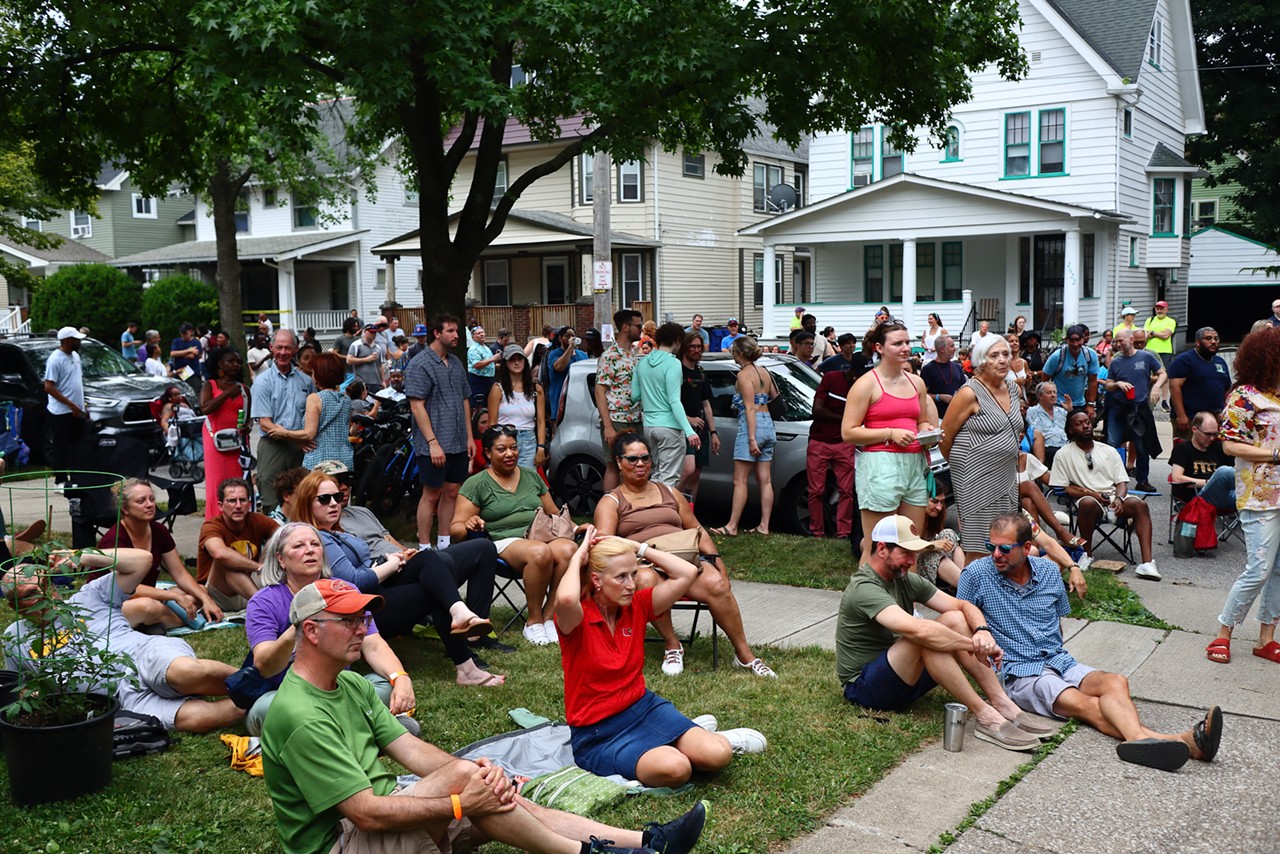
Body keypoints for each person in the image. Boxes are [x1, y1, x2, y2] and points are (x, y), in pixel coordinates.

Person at [260, 576, 701, 854]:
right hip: (343, 841)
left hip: (378, 818)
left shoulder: (351, 683)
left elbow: (409, 748)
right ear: (312, 632)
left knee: (488, 787)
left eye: (363, 619)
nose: (364, 629)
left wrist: (478, 771)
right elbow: (365, 814)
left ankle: (645, 843)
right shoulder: (299, 714)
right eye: (350, 620)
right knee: (470, 789)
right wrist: (458, 799)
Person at [959, 513, 1222, 771]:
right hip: (1020, 672)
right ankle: (1177, 742)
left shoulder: (1049, 571)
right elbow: (960, 608)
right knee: (1086, 704)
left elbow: (1057, 621)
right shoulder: (977, 574)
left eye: (1004, 548)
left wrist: (1072, 569)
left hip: (1057, 659)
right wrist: (982, 631)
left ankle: (1145, 742)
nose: (995, 554)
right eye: (990, 546)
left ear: (1027, 548)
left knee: (1116, 682)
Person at [554, 530, 765, 785]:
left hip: (643, 708)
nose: (632, 584)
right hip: (598, 733)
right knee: (677, 769)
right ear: (597, 580)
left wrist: (636, 547)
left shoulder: (637, 605)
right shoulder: (576, 617)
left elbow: (687, 573)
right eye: (621, 577)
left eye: (633, 574)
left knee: (718, 755)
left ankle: (699, 739)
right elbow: (565, 597)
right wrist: (580, 555)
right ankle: (685, 739)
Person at [834, 515, 1045, 750]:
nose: (912, 560)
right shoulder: (864, 587)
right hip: (865, 689)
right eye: (906, 553)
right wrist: (971, 645)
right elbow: (918, 630)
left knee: (953, 619)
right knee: (926, 638)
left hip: (902, 677)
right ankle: (986, 716)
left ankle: (1001, 702)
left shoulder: (906, 580)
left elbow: (962, 605)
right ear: (882, 549)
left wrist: (983, 632)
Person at [292, 471, 503, 686]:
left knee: (428, 558)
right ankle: (466, 661)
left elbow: (367, 564)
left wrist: (391, 558)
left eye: (337, 497)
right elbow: (353, 582)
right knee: (435, 587)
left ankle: (460, 616)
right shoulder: (317, 538)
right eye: (324, 499)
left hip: (377, 589)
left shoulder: (339, 532)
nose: (334, 504)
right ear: (307, 503)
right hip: (360, 608)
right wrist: (391, 565)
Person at [3, 547, 242, 733]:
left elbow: (142, 561)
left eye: (44, 583)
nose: (44, 593)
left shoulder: (88, 597)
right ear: (14, 606)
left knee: (184, 673)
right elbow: (20, 689)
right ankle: (261, 700)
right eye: (30, 594)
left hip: (143, 654)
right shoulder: (16, 637)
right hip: (122, 696)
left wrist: (82, 556)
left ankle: (257, 678)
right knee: (194, 718)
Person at [596, 433, 775, 678]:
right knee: (645, 582)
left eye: (645, 458)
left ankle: (744, 655)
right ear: (619, 462)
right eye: (632, 459)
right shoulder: (611, 501)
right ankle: (672, 645)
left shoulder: (669, 492)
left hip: (684, 560)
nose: (640, 464)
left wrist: (717, 561)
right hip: (645, 563)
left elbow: (697, 529)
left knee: (717, 583)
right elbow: (606, 544)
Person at [244, 529, 418, 737]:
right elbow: (264, 665)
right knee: (266, 710)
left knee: (381, 686)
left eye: (315, 544)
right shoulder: (263, 601)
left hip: (338, 689)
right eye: (299, 546)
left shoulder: (344, 590)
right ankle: (371, 727)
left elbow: (373, 645)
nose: (310, 551)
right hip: (286, 695)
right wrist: (301, 621)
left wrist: (400, 678)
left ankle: (334, 731)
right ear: (281, 559)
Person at [454, 425, 581, 646]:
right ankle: (533, 622)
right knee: (539, 552)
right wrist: (468, 523)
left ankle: (549, 616)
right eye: (501, 449)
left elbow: (554, 514)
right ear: (488, 453)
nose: (510, 453)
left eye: (513, 448)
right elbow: (455, 530)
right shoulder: (477, 484)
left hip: (538, 535)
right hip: (503, 541)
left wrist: (578, 528)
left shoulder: (532, 477)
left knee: (569, 550)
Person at [1207, 325, 1280, 665]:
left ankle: (1267, 638)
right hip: (1260, 494)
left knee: (1279, 571)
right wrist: (1275, 454)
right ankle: (1224, 631)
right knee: (1259, 568)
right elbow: (1229, 444)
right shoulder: (1244, 396)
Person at [842, 319, 935, 563]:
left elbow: (922, 421)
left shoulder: (917, 382)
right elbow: (848, 432)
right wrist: (889, 433)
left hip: (915, 464)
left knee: (910, 545)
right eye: (897, 343)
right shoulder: (866, 384)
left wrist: (929, 435)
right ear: (879, 348)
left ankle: (906, 602)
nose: (905, 348)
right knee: (876, 547)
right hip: (880, 465)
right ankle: (864, 601)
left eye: (907, 342)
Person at [98, 478, 224, 630]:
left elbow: (180, 574)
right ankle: (182, 619)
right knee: (148, 606)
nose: (150, 504)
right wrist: (173, 596)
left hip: (148, 596)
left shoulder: (158, 530)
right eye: (141, 501)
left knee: (199, 591)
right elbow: (127, 590)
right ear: (125, 509)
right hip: (109, 605)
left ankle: (152, 622)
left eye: (151, 499)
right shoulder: (114, 540)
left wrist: (205, 599)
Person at [1049, 411, 1161, 580]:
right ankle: (1086, 554)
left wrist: (1119, 499)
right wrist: (1093, 494)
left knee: (1141, 505)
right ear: (1071, 430)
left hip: (1114, 498)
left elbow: (1121, 482)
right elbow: (1065, 488)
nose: (1086, 425)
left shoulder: (1108, 450)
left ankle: (1147, 563)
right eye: (1079, 423)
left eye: (1087, 422)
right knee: (1087, 503)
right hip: (1088, 501)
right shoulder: (1063, 454)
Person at [941, 334, 1023, 564]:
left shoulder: (1013, 390)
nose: (1002, 360)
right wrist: (968, 467)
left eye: (1005, 354)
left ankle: (996, 594)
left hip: (1005, 476)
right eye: (994, 355)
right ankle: (969, 597)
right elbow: (945, 437)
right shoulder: (969, 393)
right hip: (974, 478)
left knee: (1003, 540)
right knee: (978, 545)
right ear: (980, 360)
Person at [407, 314, 474, 550]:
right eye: (451, 331)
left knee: (452, 491)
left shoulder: (456, 363)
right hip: (432, 443)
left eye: (457, 331)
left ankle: (444, 543)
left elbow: (465, 399)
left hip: (457, 440)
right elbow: (417, 406)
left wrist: (469, 436)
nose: (457, 335)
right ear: (437, 333)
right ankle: (424, 546)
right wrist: (433, 442)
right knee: (431, 493)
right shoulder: (420, 364)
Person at [716, 336, 778, 536]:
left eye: (734, 351)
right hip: (768, 423)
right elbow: (775, 396)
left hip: (752, 426)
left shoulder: (744, 375)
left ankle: (732, 526)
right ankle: (764, 526)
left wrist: (751, 439)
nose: (733, 354)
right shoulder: (764, 371)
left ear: (740, 354)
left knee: (740, 480)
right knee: (765, 480)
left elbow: (749, 408)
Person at [251, 329, 316, 512]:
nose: (283, 353)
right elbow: (265, 423)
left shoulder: (306, 381)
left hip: (301, 449)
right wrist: (296, 438)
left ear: (295, 350)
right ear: (271, 348)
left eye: (288, 348)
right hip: (273, 446)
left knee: (303, 497)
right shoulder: (262, 382)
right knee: (271, 497)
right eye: (279, 347)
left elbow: (313, 415)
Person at [632, 322, 699, 487]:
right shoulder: (673, 364)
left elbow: (634, 396)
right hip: (669, 427)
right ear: (677, 340)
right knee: (669, 480)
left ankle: (651, 509)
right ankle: (662, 512)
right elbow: (674, 400)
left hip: (648, 427)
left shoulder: (642, 363)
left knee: (655, 476)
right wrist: (689, 431)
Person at [198, 477, 278, 611]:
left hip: (250, 584)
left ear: (249, 503)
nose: (238, 506)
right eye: (231, 501)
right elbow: (219, 553)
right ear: (220, 505)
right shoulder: (211, 526)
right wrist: (258, 567)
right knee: (227, 562)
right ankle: (265, 607)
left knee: (277, 539)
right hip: (221, 595)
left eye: (242, 500)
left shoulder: (257, 520)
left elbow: (287, 535)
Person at [1104, 328, 1165, 493]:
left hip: (1139, 408)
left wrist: (1157, 387)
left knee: (1142, 446)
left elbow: (1162, 373)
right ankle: (1111, 480)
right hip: (1118, 407)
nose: (1117, 344)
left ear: (1131, 339)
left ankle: (1142, 480)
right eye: (1115, 341)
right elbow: (1108, 384)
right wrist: (1117, 384)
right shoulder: (1116, 361)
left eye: (1120, 341)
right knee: (1112, 444)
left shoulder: (1146, 357)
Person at [806, 356, 857, 541]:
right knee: (816, 490)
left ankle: (843, 532)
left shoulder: (862, 386)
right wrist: (845, 419)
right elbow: (817, 410)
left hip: (844, 442)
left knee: (846, 490)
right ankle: (816, 531)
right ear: (852, 372)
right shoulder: (831, 378)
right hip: (820, 440)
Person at [594, 309, 644, 491]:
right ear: (625, 327)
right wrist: (608, 426)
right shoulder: (610, 356)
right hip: (617, 421)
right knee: (614, 465)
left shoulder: (633, 354)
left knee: (633, 466)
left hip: (635, 419)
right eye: (638, 326)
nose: (641, 329)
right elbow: (600, 392)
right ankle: (609, 507)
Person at [199, 346, 249, 520]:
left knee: (238, 482)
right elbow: (205, 408)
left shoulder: (244, 388)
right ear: (220, 364)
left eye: (239, 362)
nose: (236, 365)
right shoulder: (210, 385)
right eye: (231, 361)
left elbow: (249, 416)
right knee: (217, 483)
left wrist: (247, 426)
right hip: (215, 442)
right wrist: (227, 393)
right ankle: (215, 522)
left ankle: (237, 518)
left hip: (237, 442)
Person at [487, 344, 546, 469]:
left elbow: (541, 421)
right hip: (504, 438)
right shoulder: (498, 389)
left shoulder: (536, 388)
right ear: (505, 363)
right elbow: (492, 422)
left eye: (520, 359)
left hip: (529, 439)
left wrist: (541, 447)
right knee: (505, 481)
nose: (516, 363)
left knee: (527, 482)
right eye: (512, 360)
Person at [1168, 326, 1232, 440]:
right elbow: (1174, 388)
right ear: (1198, 342)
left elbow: (1227, 389)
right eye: (1208, 338)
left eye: (1216, 339)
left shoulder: (1220, 361)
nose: (1213, 342)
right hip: (1190, 418)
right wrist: (1181, 415)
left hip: (1215, 418)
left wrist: (1225, 412)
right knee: (1186, 453)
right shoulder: (1184, 360)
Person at [677, 332, 719, 502]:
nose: (696, 350)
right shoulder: (677, 370)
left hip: (701, 430)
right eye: (692, 346)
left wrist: (713, 432)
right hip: (681, 428)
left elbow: (706, 403)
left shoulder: (701, 373)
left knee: (696, 474)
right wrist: (688, 419)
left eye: (699, 347)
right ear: (685, 348)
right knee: (685, 471)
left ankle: (690, 513)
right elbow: (670, 402)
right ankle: (668, 505)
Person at [43, 326, 87, 484]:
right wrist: (71, 405)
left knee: (78, 445)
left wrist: (81, 405)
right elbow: (48, 387)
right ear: (68, 341)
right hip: (60, 412)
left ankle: (77, 477)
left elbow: (75, 382)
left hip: (77, 410)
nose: (79, 342)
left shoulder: (75, 355)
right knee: (61, 446)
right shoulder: (55, 359)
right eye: (76, 339)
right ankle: (60, 480)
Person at [1170, 412, 1236, 513]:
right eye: (1208, 434)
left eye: (1215, 434)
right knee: (1223, 472)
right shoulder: (1182, 449)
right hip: (1196, 498)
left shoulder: (1220, 448)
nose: (1212, 438)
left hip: (1223, 496)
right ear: (1194, 430)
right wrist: (1211, 482)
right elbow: (1177, 478)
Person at [300, 352, 353, 471]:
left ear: (320, 374)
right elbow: (349, 429)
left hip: (320, 462)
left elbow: (309, 434)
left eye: (313, 372)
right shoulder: (346, 400)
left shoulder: (315, 399)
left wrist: (283, 432)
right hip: (344, 461)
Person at [1040, 325, 1099, 416]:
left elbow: (1092, 381)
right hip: (1059, 404)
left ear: (1083, 339)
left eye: (1078, 340)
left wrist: (1090, 404)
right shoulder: (1057, 356)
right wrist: (1047, 401)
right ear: (1067, 340)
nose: (1075, 344)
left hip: (1080, 403)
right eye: (1072, 341)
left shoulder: (1090, 355)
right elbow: (1044, 379)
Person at [915, 480, 963, 589]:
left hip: (936, 568)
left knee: (949, 534)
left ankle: (966, 578)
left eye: (941, 502)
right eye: (935, 501)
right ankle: (969, 587)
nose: (939, 507)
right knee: (933, 555)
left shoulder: (936, 518)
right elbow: (903, 549)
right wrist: (931, 545)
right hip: (914, 566)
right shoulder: (911, 517)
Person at [545, 326, 587, 422]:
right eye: (567, 336)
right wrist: (570, 348)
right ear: (560, 338)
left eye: (573, 336)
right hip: (560, 402)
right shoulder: (554, 354)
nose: (571, 338)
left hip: (579, 403)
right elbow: (559, 367)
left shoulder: (583, 355)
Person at [921, 334, 965, 419]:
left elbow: (965, 389)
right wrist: (939, 397)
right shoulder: (928, 369)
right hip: (937, 417)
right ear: (942, 349)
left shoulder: (957, 367)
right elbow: (922, 395)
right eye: (952, 346)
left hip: (957, 416)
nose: (955, 348)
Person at [1025, 381, 1069, 465]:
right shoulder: (1032, 412)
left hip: (1065, 449)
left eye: (1054, 392)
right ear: (1040, 396)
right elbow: (1030, 433)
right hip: (1047, 450)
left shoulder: (1062, 411)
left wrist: (1070, 411)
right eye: (1049, 393)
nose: (1053, 395)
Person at [1143, 300, 1178, 408]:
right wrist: (1158, 333)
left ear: (1166, 309)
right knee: (1149, 374)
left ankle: (1164, 400)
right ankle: (1148, 396)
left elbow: (1166, 335)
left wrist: (1153, 332)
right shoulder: (1150, 320)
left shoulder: (1171, 321)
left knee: (1164, 374)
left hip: (1165, 351)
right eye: (1157, 308)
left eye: (1162, 308)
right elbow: (1145, 335)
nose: (1159, 310)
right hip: (1149, 350)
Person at [347, 322, 386, 393]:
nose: (373, 335)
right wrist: (367, 359)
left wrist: (383, 381)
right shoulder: (356, 345)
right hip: (362, 382)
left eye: (375, 333)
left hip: (376, 382)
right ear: (365, 332)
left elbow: (381, 365)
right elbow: (349, 360)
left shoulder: (378, 347)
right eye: (371, 332)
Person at [466, 325, 499, 406]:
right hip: (478, 380)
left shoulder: (486, 348)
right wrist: (493, 359)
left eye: (482, 332)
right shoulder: (473, 349)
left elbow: (488, 364)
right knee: (479, 404)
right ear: (473, 337)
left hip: (489, 379)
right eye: (478, 333)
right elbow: (476, 364)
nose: (481, 334)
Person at [169, 322, 204, 393]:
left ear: (191, 332)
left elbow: (192, 356)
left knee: (194, 392)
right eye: (182, 332)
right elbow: (172, 354)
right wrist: (189, 350)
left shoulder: (196, 342)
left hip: (192, 373)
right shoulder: (176, 341)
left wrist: (179, 354)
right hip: (179, 372)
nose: (183, 335)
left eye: (185, 333)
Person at [1006, 332, 1030, 400]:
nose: (1015, 343)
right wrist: (1015, 382)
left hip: (1021, 401)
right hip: (1007, 401)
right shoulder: (1002, 363)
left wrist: (1028, 381)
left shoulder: (1024, 362)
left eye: (1016, 341)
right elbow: (996, 386)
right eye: (1011, 341)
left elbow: (1026, 387)